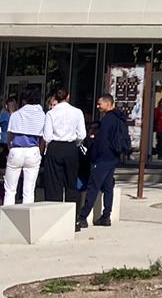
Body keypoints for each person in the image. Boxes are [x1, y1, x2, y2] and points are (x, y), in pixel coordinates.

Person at [78, 94, 129, 231]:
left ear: (108, 103)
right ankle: (106, 216)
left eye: (100, 103)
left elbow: (102, 142)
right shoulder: (120, 118)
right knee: (108, 187)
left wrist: (92, 155)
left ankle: (82, 217)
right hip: (113, 157)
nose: (98, 106)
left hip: (102, 158)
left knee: (93, 187)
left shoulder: (108, 119)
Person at [3, 87, 47, 205]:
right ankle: (26, 220)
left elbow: (10, 136)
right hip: (33, 150)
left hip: (16, 150)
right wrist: (40, 152)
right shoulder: (42, 115)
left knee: (10, 190)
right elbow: (44, 138)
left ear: (24, 100)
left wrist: (10, 149)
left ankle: (7, 217)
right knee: (29, 191)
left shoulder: (16, 115)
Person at [41, 89, 85, 203]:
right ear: (68, 97)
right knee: (71, 181)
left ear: (56, 98)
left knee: (53, 183)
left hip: (55, 147)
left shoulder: (51, 113)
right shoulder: (77, 112)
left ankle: (54, 211)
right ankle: (72, 212)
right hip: (70, 147)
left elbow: (47, 136)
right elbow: (82, 134)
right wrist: (76, 143)